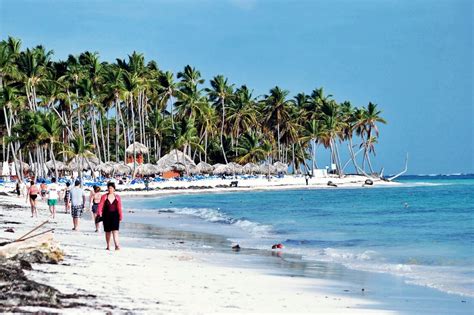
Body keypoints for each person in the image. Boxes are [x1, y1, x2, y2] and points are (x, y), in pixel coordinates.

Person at [97, 182, 123, 250]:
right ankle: (108, 245)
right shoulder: (104, 196)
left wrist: (121, 215)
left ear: (114, 189)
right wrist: (99, 213)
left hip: (115, 216)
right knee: (108, 231)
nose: (110, 189)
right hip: (106, 216)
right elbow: (100, 205)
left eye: (111, 188)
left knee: (115, 231)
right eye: (108, 188)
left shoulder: (117, 197)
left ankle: (117, 245)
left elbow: (119, 207)